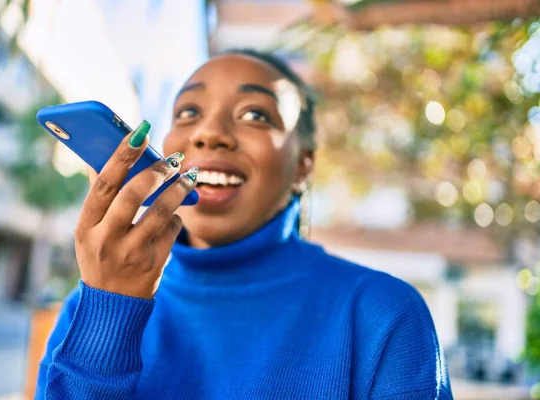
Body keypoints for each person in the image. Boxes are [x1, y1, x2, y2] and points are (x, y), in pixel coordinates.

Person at [36, 49, 453, 399]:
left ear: (303, 166)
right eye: (188, 112)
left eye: (255, 114)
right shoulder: (86, 309)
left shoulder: (383, 315)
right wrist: (109, 314)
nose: (209, 133)